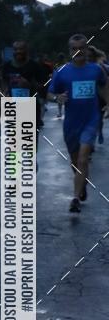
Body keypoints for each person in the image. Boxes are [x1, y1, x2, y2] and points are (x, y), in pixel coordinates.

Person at [48, 33, 109, 213]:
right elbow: (49, 93)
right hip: (71, 124)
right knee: (76, 162)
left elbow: (105, 85)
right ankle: (81, 185)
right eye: (74, 49)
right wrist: (56, 97)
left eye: (81, 48)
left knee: (83, 158)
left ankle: (74, 198)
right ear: (69, 51)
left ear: (86, 49)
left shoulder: (96, 70)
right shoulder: (61, 72)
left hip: (91, 120)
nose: (78, 52)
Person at [0, 41, 47, 141]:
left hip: (31, 107)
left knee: (29, 143)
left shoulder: (34, 66)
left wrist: (29, 85)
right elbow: (3, 82)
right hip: (12, 108)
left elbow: (43, 86)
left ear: (26, 50)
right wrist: (4, 92)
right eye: (16, 49)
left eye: (21, 49)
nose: (18, 51)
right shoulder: (7, 66)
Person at [87, 45, 108, 144]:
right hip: (87, 99)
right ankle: (90, 143)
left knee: (99, 119)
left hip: (99, 98)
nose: (88, 58)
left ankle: (99, 132)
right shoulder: (81, 68)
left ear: (94, 57)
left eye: (90, 56)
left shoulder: (101, 67)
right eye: (87, 56)